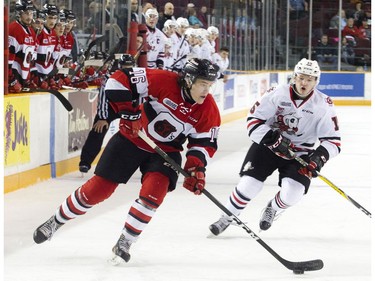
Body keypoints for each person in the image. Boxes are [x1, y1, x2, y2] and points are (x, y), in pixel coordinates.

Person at [33, 58, 221, 264]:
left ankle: (126, 241)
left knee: (154, 193)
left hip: (165, 151)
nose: (207, 90)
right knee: (98, 190)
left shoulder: (208, 109)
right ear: (189, 80)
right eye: (203, 84)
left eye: (210, 85)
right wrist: (129, 113)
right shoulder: (163, 80)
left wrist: (196, 169)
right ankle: (56, 221)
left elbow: (203, 144)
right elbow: (117, 80)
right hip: (132, 138)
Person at [209, 58, 341, 235]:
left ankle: (273, 208)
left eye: (309, 79)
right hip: (269, 146)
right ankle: (227, 216)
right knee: (249, 184)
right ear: (294, 77)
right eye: (301, 77)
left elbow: (333, 140)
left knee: (293, 193)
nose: (304, 83)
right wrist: (271, 138)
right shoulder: (277, 93)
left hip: (299, 152)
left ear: (316, 81)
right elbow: (253, 121)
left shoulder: (323, 105)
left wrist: (318, 159)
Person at [79, 54, 135, 173]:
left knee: (138, 134)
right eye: (125, 66)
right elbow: (103, 98)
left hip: (129, 107)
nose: (127, 69)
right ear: (120, 66)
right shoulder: (110, 78)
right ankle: (85, 162)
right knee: (98, 130)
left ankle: (141, 162)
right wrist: (103, 117)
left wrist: (138, 114)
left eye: (130, 66)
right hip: (111, 108)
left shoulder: (138, 78)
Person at [8, 0, 36, 93]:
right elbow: (7, 61)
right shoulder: (13, 29)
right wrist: (11, 81)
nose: (29, 17)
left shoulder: (31, 31)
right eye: (26, 14)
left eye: (31, 13)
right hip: (12, 79)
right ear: (18, 14)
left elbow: (28, 59)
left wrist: (29, 79)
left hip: (22, 80)